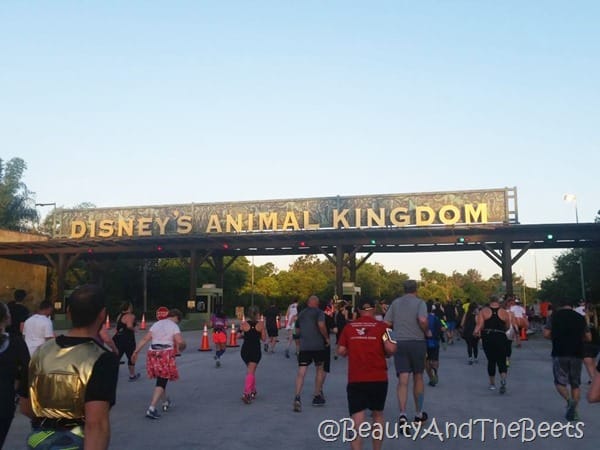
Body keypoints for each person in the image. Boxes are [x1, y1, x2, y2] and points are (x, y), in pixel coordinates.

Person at [21, 284, 119, 450]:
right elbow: (96, 424)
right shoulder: (102, 358)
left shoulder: (41, 352)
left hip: (38, 439)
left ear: (68, 312)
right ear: (102, 314)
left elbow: (25, 407)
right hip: (76, 440)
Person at [337, 298, 397, 450]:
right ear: (374, 309)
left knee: (357, 418)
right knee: (377, 415)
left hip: (356, 378)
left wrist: (354, 348)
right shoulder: (383, 327)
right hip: (378, 378)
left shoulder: (349, 327)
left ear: (358, 310)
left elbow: (341, 351)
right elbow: (391, 348)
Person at [383, 279, 430, 425]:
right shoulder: (420, 303)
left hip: (400, 343)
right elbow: (422, 320)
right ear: (416, 289)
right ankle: (418, 414)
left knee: (403, 380)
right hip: (417, 343)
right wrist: (426, 331)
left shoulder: (395, 303)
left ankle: (402, 414)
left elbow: (386, 323)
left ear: (403, 289)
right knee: (418, 377)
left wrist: (390, 339)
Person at [132, 308, 186, 419]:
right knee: (162, 380)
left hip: (152, 353)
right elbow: (180, 341)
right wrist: (182, 346)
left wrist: (136, 352)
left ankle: (165, 401)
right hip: (165, 353)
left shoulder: (156, 324)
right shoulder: (174, 326)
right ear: (177, 318)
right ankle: (151, 408)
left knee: (161, 378)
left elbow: (145, 338)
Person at [543, 298, 591, 421]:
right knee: (575, 384)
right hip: (576, 353)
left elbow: (546, 334)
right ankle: (574, 411)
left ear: (560, 306)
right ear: (573, 306)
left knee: (559, 382)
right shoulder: (580, 317)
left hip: (559, 352)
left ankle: (569, 401)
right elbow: (588, 337)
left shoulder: (554, 317)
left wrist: (556, 338)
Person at [0, 302, 30, 449]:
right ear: (6, 318)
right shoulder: (15, 343)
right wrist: (20, 394)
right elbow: (26, 371)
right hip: (4, 401)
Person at [293, 295, 329, 412]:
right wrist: (326, 337)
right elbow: (321, 325)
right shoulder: (319, 313)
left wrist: (298, 344)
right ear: (317, 303)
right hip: (318, 345)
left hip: (305, 346)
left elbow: (297, 330)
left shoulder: (301, 314)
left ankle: (297, 396)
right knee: (319, 368)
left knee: (301, 371)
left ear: (308, 303)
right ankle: (317, 395)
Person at [474, 296, 510, 394]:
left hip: (488, 337)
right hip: (501, 336)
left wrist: (476, 331)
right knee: (502, 360)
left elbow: (480, 325)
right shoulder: (504, 312)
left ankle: (492, 384)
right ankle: (503, 380)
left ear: (490, 302)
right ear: (498, 302)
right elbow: (507, 326)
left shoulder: (484, 311)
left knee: (491, 360)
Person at [240, 306, 267, 404]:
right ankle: (247, 393)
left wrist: (245, 334)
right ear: (257, 315)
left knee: (251, 371)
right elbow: (264, 338)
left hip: (245, 350)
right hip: (255, 349)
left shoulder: (244, 324)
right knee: (251, 371)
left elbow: (239, 335)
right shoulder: (261, 324)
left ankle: (253, 390)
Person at [112, 301, 141, 380]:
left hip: (118, 338)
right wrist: (134, 329)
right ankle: (132, 375)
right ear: (129, 307)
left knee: (117, 357)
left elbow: (118, 327)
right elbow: (129, 326)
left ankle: (111, 375)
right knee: (131, 356)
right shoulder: (130, 316)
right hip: (128, 339)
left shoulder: (119, 316)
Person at [425, 302, 443, 387]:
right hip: (435, 342)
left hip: (425, 343)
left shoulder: (422, 319)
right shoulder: (436, 318)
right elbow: (442, 328)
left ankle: (431, 378)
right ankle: (435, 370)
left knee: (427, 361)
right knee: (435, 359)